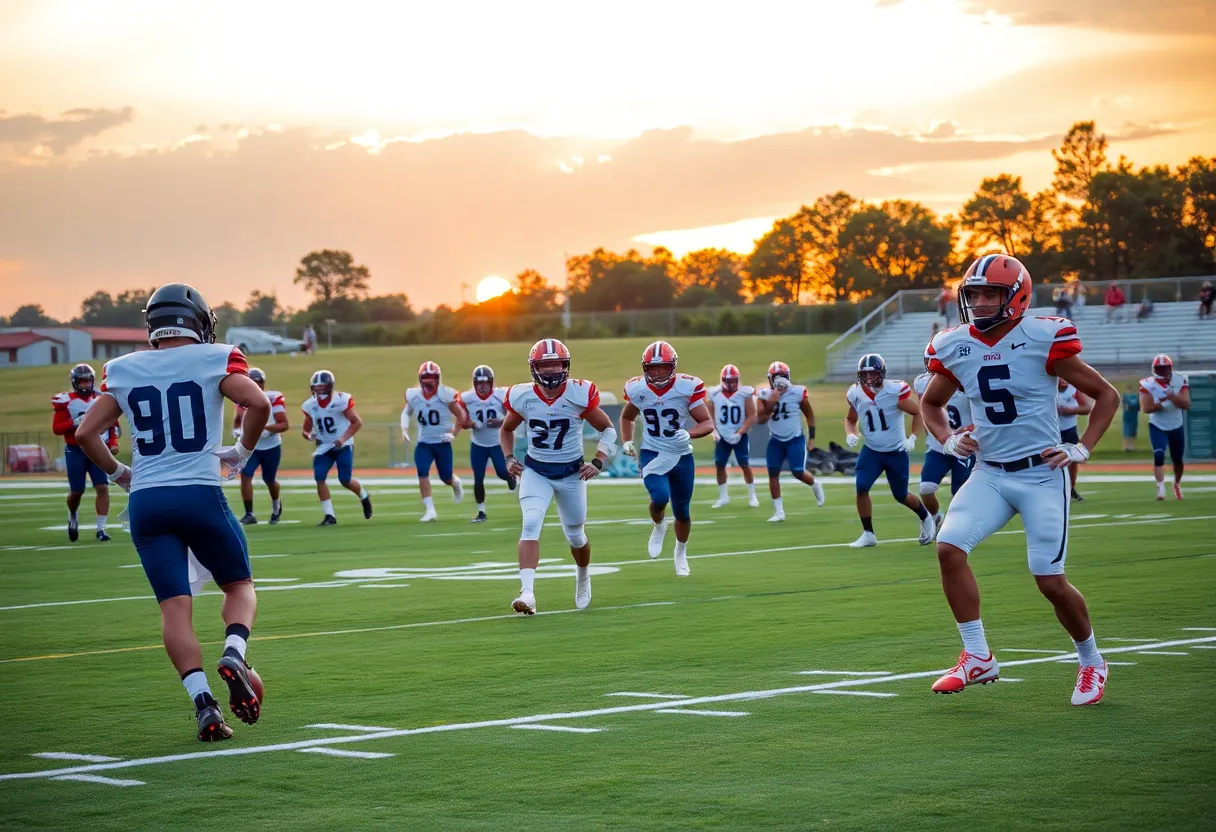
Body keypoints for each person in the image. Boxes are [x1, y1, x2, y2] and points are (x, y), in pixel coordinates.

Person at [922, 253, 1119, 706]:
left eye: (992, 293)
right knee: (949, 550)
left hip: (1041, 474)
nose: (982, 302)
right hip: (989, 473)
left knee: (1049, 580)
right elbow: (932, 405)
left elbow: (1106, 395)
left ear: (1017, 296)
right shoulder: (953, 345)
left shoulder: (1043, 336)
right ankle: (977, 656)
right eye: (974, 294)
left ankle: (1091, 661)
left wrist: (1081, 447)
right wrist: (949, 440)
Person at [75, 283, 269, 741]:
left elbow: (86, 434)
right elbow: (257, 403)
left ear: (153, 325)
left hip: (147, 502)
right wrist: (240, 452)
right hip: (199, 492)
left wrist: (123, 474)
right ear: (199, 321)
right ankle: (235, 652)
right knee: (239, 585)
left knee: (174, 609)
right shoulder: (216, 357)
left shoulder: (122, 369)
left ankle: (204, 705)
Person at [499, 338, 617, 614]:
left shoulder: (578, 394)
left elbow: (608, 429)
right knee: (530, 523)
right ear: (534, 368)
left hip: (571, 474)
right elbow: (506, 430)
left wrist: (599, 461)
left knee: (576, 535)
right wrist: (508, 457)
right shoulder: (522, 396)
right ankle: (527, 593)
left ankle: (583, 575)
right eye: (545, 365)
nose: (551, 370)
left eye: (556, 364)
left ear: (566, 366)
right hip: (536, 471)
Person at [620, 341, 714, 576]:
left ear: (672, 367)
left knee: (682, 510)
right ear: (645, 368)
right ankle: (659, 525)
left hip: (681, 454)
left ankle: (680, 553)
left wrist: (688, 433)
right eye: (653, 368)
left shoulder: (686, 387)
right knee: (660, 497)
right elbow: (627, 417)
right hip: (652, 452)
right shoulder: (637, 389)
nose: (658, 372)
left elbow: (707, 423)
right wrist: (628, 440)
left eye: (663, 367)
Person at [844, 353, 936, 548]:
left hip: (895, 451)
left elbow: (917, 412)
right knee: (861, 488)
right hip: (872, 451)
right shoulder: (855, 393)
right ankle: (868, 534)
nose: (869, 378)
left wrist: (912, 437)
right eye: (865, 374)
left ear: (882, 373)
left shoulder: (895, 390)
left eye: (873, 373)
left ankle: (926, 517)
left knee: (900, 495)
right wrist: (850, 433)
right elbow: (851, 419)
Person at [51, 363, 120, 542]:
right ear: (74, 382)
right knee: (77, 491)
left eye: (87, 381)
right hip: (76, 449)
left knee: (102, 487)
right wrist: (76, 422)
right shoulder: (66, 400)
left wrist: (113, 442)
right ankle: (72, 513)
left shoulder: (102, 398)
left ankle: (101, 528)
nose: (85, 385)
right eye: (81, 382)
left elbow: (112, 424)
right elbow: (57, 428)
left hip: (98, 446)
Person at [756, 361, 825, 522]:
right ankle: (779, 512)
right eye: (776, 377)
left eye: (783, 377)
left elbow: (810, 415)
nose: (780, 380)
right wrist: (772, 402)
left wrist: (812, 438)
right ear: (770, 379)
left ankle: (815, 484)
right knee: (773, 474)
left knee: (797, 472)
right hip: (776, 439)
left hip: (795, 438)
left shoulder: (798, 392)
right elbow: (760, 419)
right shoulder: (764, 394)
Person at [301, 370, 373, 525]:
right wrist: (308, 435)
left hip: (343, 445)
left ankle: (364, 496)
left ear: (329, 387)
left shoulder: (341, 400)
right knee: (319, 477)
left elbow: (357, 422)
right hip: (324, 446)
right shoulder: (310, 405)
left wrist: (343, 438)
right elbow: (305, 430)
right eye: (316, 387)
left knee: (345, 480)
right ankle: (329, 515)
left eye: (322, 387)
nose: (319, 390)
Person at [913, 356, 974, 529]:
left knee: (960, 494)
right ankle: (936, 517)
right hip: (938, 445)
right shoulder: (921, 382)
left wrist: (972, 427)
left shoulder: (968, 378)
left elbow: (982, 409)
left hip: (963, 445)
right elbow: (925, 410)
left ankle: (956, 527)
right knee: (926, 488)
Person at [402, 361, 465, 522]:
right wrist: (405, 430)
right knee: (422, 471)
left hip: (442, 442)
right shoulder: (414, 395)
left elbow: (461, 416)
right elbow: (406, 412)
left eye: (432, 377)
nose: (429, 381)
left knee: (445, 477)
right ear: (420, 378)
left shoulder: (446, 395)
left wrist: (453, 434)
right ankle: (430, 511)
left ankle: (455, 483)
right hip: (424, 443)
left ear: (438, 378)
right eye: (426, 377)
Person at [458, 364, 516, 523]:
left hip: (497, 443)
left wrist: (500, 422)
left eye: (485, 383)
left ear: (491, 383)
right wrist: (470, 424)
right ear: (475, 383)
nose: (482, 387)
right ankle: (481, 512)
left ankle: (511, 478)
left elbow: (514, 416)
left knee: (502, 472)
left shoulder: (500, 395)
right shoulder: (467, 398)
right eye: (479, 383)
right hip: (478, 444)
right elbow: (461, 420)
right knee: (478, 478)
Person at [233, 368, 288, 524]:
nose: (255, 387)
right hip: (251, 445)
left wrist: (266, 428)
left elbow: (284, 424)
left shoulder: (273, 398)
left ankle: (277, 506)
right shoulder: (241, 399)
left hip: (271, 446)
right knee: (245, 475)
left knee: (269, 479)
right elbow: (238, 419)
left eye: (258, 383)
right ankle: (249, 513)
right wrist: (236, 430)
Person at [706, 364, 759, 509]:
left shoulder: (744, 393)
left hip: (739, 435)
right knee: (719, 464)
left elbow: (751, 415)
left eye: (733, 380)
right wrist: (714, 431)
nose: (731, 384)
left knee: (744, 463)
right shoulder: (714, 393)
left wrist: (740, 432)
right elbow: (709, 416)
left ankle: (752, 495)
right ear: (723, 380)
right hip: (722, 435)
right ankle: (723, 497)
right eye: (728, 381)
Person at [1139, 354, 1190, 501]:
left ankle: (1177, 484)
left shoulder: (1180, 380)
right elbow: (1146, 408)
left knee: (1178, 459)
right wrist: (1162, 403)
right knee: (1159, 454)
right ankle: (1160, 487)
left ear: (1170, 368)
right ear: (1155, 369)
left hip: (1176, 424)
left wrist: (1173, 396)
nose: (1162, 371)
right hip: (1157, 425)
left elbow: (1186, 404)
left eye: (1165, 368)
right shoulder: (1147, 384)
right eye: (1159, 368)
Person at [1056, 377, 1093, 502]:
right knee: (1052, 459)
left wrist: (1071, 410)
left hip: (1069, 428)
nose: (1064, 381)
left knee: (1072, 459)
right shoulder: (1048, 388)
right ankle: (1055, 487)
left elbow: (1087, 407)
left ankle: (1071, 487)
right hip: (1052, 430)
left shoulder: (1074, 389)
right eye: (1061, 379)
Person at [1121, 382, 1140, 452]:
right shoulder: (1126, 396)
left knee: (1133, 432)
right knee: (1126, 432)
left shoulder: (1134, 397)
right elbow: (1125, 407)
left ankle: (1132, 447)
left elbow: (1138, 407)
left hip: (1133, 416)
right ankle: (1126, 447)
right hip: (1128, 417)